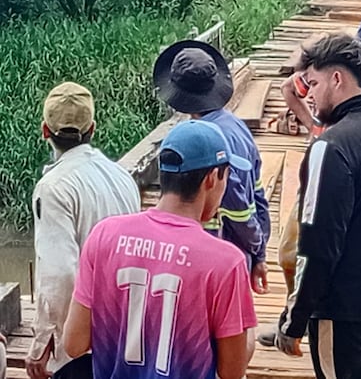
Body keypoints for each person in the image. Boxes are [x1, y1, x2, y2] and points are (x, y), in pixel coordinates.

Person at [62, 120, 258, 379]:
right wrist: (250, 330)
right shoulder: (225, 262)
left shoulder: (104, 236)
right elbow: (232, 371)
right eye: (227, 175)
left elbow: (74, 344)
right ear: (212, 179)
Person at [274, 34, 361, 379]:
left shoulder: (332, 146)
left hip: (342, 312)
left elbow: (318, 245)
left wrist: (295, 319)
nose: (309, 95)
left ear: (337, 79)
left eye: (314, 83)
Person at [26, 82, 140, 379]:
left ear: (45, 131)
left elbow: (60, 273)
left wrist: (44, 341)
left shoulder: (53, 188)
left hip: (85, 344)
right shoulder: (121, 176)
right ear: (93, 128)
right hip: (127, 332)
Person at [153, 40, 270, 295]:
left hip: (216, 258)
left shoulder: (208, 143)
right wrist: (259, 252)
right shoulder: (237, 127)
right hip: (241, 254)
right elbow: (258, 194)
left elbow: (235, 204)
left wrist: (254, 244)